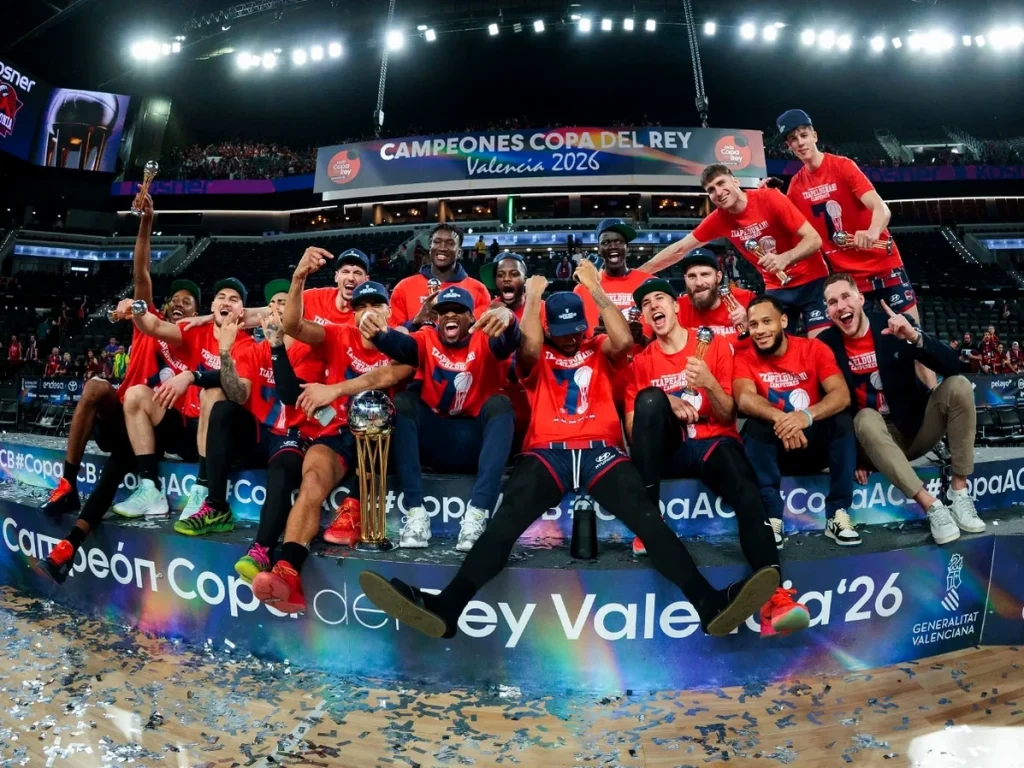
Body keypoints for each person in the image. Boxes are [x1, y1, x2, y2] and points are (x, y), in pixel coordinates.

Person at [357, 263, 782, 641]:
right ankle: (447, 607)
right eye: (560, 333)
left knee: (650, 522)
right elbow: (525, 346)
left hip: (600, 451)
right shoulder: (537, 352)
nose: (570, 339)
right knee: (504, 526)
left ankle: (707, 604)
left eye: (577, 329)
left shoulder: (598, 347)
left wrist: (596, 289)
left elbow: (620, 338)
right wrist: (535, 296)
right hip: (548, 451)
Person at [625, 278, 809, 636]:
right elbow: (634, 428)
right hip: (672, 449)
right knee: (647, 399)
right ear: (644, 316)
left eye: (659, 298)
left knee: (745, 486)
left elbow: (726, 415)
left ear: (676, 306)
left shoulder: (714, 345)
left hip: (713, 440)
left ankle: (777, 598)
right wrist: (665, 403)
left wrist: (708, 382)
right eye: (645, 304)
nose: (653, 306)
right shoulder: (643, 360)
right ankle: (647, 520)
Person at [37, 195, 200, 583]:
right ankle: (67, 482)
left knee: (116, 467)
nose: (177, 304)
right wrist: (147, 222)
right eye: (174, 299)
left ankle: (68, 548)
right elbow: (141, 269)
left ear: (197, 312)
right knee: (94, 386)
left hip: (153, 427)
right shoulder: (149, 321)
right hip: (122, 413)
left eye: (187, 302)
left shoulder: (196, 339)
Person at [818, 274, 985, 544]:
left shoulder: (894, 325)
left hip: (913, 431)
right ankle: (932, 506)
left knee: (960, 386)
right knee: (865, 416)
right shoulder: (825, 344)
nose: (840, 306)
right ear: (827, 311)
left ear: (860, 299)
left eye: (846, 296)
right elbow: (829, 405)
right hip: (869, 440)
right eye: (832, 302)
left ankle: (959, 492)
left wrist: (914, 337)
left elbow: (952, 367)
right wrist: (852, 458)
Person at [778, 108, 937, 388]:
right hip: (847, 282)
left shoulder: (843, 166)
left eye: (803, 135)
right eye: (793, 139)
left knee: (916, 342)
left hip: (884, 266)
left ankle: (936, 410)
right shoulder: (795, 187)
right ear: (789, 146)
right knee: (854, 355)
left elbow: (881, 207)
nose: (800, 142)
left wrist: (872, 231)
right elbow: (791, 227)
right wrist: (770, 196)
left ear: (814, 135)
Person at [366, 285, 519, 551]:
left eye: (457, 311)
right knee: (403, 402)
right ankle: (416, 514)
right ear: (436, 318)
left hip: (476, 444)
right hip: (437, 442)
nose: (449, 316)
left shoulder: (484, 338)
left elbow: (508, 342)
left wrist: (509, 319)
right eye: (443, 312)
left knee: (501, 405)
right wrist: (378, 333)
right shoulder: (426, 337)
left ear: (471, 317)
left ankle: (477, 514)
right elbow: (400, 344)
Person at [283, 266, 410, 549]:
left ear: (389, 311)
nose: (368, 311)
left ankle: (353, 508)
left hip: (381, 442)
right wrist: (298, 279)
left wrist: (334, 389)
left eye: (376, 304)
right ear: (352, 315)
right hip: (337, 433)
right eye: (361, 306)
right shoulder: (337, 334)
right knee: (312, 480)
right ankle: (287, 565)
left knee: (379, 417)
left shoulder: (401, 344)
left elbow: (388, 376)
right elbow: (292, 326)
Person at [110, 277, 254, 520]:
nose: (226, 302)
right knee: (136, 394)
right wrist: (136, 308)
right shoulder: (195, 331)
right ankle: (150, 489)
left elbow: (239, 392)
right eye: (221, 297)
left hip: (222, 439)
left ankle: (203, 488)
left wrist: (192, 376)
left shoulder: (248, 345)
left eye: (234, 299)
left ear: (243, 311)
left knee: (213, 392)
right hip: (188, 430)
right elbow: (154, 326)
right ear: (212, 306)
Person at [640, 164, 829, 336]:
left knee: (822, 344)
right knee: (775, 349)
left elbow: (814, 239)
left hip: (812, 280)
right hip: (777, 288)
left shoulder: (769, 198)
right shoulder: (719, 219)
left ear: (736, 181)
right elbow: (679, 249)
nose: (718, 192)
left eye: (721, 183)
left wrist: (785, 258)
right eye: (711, 190)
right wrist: (637, 274)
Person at [733, 294, 859, 547]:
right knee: (756, 425)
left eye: (766, 322)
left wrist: (806, 416)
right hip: (774, 450)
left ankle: (837, 514)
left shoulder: (813, 349)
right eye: (754, 324)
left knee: (842, 421)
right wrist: (784, 419)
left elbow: (841, 394)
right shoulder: (744, 357)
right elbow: (744, 399)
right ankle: (771, 517)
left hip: (812, 447)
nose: (759, 330)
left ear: (783, 321)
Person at [389, 223, 492, 327]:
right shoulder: (404, 287)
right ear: (430, 249)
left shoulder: (479, 290)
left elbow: (483, 334)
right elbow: (393, 333)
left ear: (459, 252)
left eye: (450, 243)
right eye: (437, 242)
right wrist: (415, 323)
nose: (442, 248)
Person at [675, 249, 755, 351]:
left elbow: (772, 335)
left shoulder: (745, 299)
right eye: (692, 276)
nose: (699, 283)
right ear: (685, 279)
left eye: (705, 274)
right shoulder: (677, 308)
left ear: (718, 277)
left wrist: (751, 324)